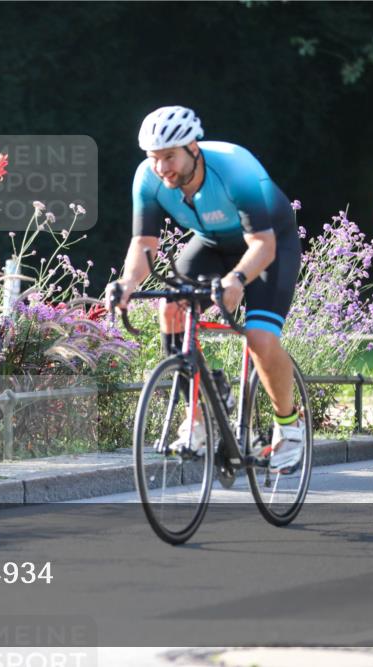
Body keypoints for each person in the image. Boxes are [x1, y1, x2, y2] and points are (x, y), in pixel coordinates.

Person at [105, 106, 304, 474]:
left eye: (169, 157)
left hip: (270, 242)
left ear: (193, 148)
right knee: (171, 309)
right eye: (154, 158)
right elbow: (144, 243)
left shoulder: (234, 168)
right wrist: (127, 284)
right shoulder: (147, 179)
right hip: (211, 242)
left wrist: (237, 280)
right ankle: (198, 415)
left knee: (259, 336)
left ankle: (290, 428)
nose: (162, 167)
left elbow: (263, 244)